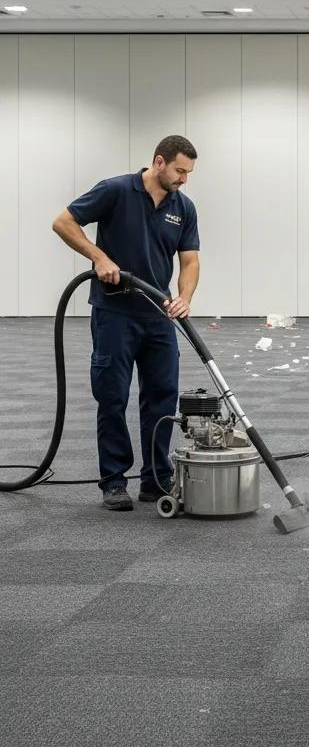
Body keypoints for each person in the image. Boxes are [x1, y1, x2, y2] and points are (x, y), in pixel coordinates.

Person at [51, 135, 201, 512]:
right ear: (159, 161)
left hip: (159, 316)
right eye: (180, 170)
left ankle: (156, 478)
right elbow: (63, 222)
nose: (184, 179)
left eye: (188, 173)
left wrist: (184, 297)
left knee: (162, 397)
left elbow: (190, 261)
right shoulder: (116, 190)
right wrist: (99, 257)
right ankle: (114, 481)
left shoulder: (183, 207)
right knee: (112, 396)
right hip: (115, 314)